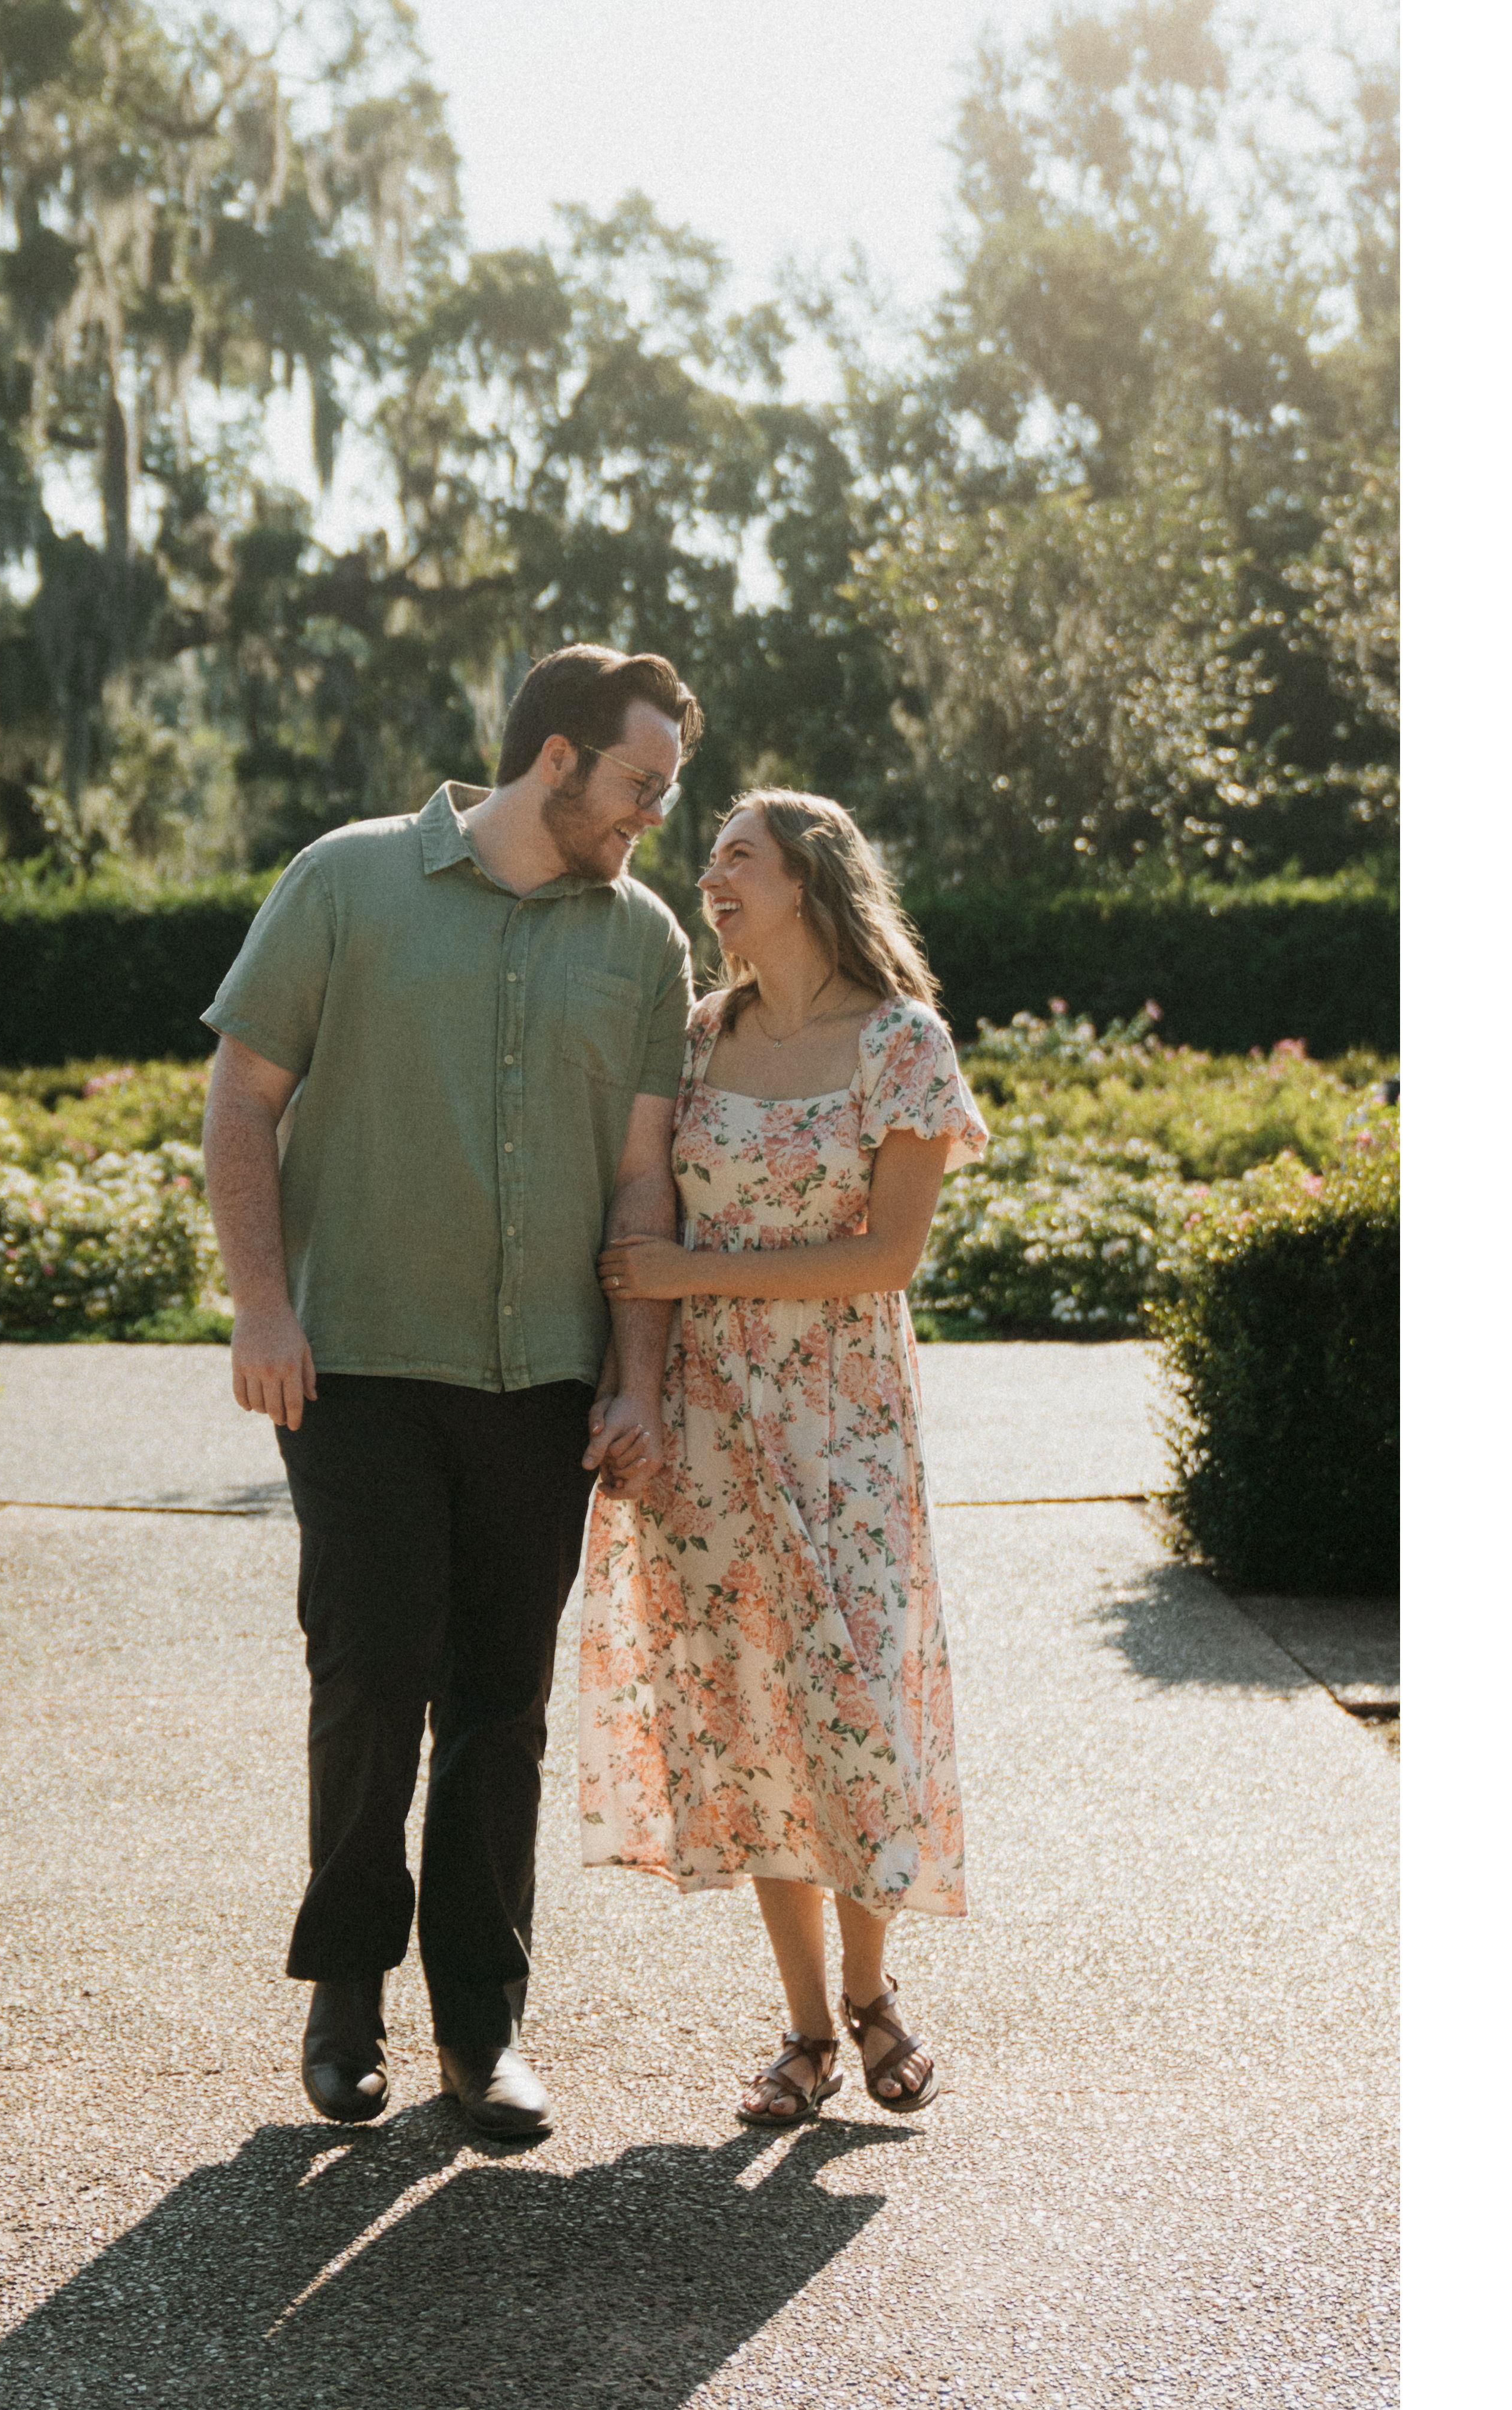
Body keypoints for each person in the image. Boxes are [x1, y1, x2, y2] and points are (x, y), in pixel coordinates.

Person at [199, 645, 700, 2139]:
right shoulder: (344, 880)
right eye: (639, 783)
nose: (653, 815)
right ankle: (344, 1995)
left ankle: (482, 2030)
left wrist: (635, 1380)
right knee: (369, 1680)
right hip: (354, 1363)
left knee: (502, 1706)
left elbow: (641, 1178)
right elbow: (241, 1098)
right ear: (555, 758)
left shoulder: (643, 938)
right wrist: (262, 1304)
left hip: (538, 1382)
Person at [580, 789, 987, 2126]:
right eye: (707, 857)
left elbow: (887, 1255)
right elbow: (643, 1201)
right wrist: (640, 1372)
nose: (709, 875)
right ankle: (809, 2026)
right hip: (711, 1420)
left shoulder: (902, 1042)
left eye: (736, 856)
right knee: (751, 1709)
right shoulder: (702, 1036)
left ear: (807, 880)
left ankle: (874, 1994)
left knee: (853, 1702)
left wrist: (689, 1272)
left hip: (844, 1421)